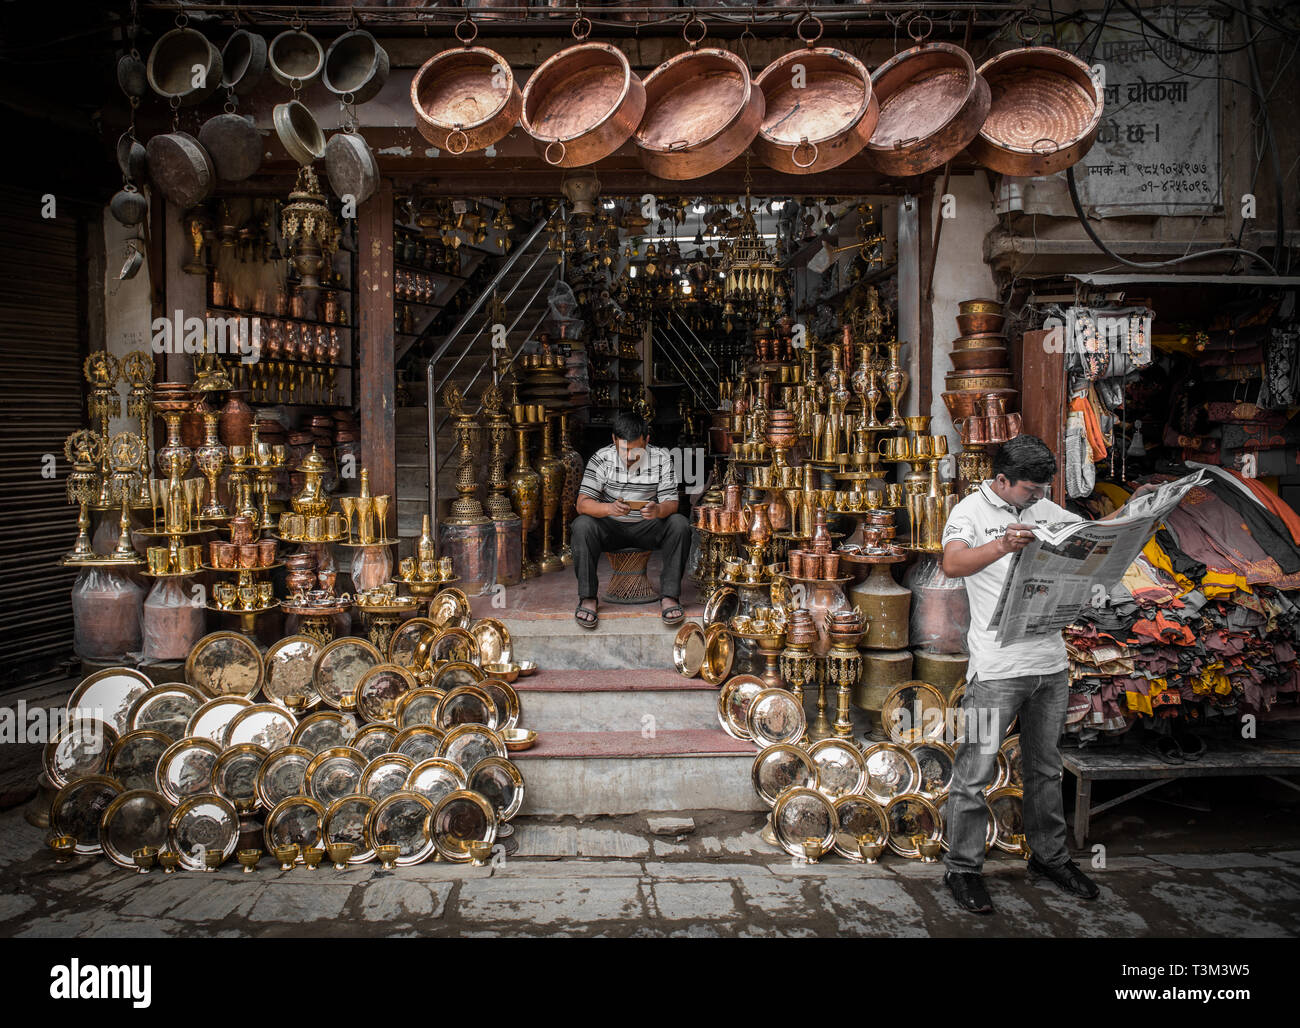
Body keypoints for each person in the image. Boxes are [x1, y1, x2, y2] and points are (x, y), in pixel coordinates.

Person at [939, 434, 1153, 914]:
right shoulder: (969, 512)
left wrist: (1131, 519)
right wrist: (1000, 545)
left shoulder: (1046, 509)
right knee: (975, 770)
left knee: (1045, 768)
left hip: (1050, 665)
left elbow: (1093, 540)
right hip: (995, 669)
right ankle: (963, 868)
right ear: (1001, 480)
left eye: (1042, 489)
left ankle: (1050, 858)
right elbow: (951, 563)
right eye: (1029, 489)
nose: (1038, 497)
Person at [571, 412, 690, 631]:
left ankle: (670, 596)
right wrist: (609, 508)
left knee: (679, 524)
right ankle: (588, 597)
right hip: (610, 526)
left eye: (636, 450)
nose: (629, 456)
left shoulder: (661, 458)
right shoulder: (601, 458)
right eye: (624, 449)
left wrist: (658, 509)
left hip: (647, 525)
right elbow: (582, 504)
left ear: (647, 440)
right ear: (614, 440)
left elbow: (671, 503)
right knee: (582, 526)